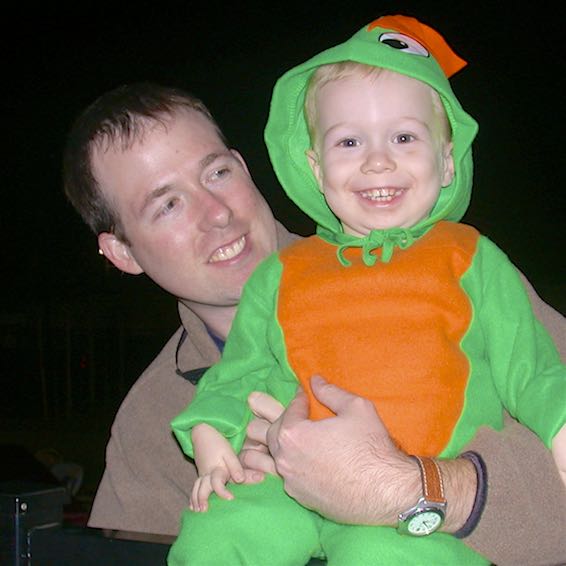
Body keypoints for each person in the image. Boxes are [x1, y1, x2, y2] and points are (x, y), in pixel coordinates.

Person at [62, 82, 566, 564]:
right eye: (168, 203)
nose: (216, 214)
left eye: (217, 173)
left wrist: (410, 485)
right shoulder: (150, 423)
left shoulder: (449, 275)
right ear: (122, 253)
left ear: (243, 167)